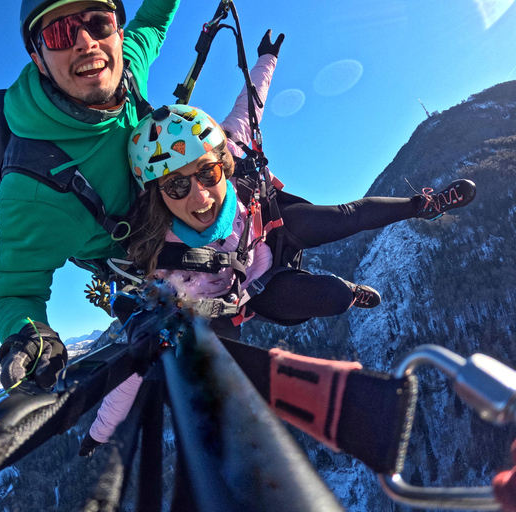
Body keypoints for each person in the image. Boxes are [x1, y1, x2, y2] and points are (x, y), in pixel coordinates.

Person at [79, 34, 477, 455]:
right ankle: (350, 295)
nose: (200, 197)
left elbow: (250, 103)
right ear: (155, 195)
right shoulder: (169, 269)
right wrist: (98, 433)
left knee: (347, 215)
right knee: (329, 295)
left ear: (222, 164)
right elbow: (136, 363)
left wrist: (266, 58)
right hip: (255, 291)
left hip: (272, 229)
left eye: (208, 175)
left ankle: (424, 205)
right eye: (176, 185)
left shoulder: (228, 149)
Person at [0, 0, 180, 392]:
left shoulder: (125, 72)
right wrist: (31, 335)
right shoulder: (34, 186)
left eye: (98, 22)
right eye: (59, 33)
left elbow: (155, 20)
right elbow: (17, 289)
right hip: (126, 256)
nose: (86, 42)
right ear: (38, 59)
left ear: (118, 33)